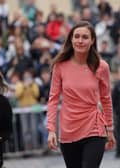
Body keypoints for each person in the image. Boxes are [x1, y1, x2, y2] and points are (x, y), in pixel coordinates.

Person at [46, 21, 115, 168]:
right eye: (76, 36)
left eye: (85, 37)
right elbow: (53, 99)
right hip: (68, 129)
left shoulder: (102, 67)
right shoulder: (60, 66)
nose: (80, 40)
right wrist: (51, 129)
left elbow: (106, 99)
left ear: (92, 40)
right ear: (71, 39)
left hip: (94, 128)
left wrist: (109, 128)